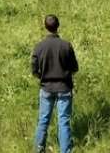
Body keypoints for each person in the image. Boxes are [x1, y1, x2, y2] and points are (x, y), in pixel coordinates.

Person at [31, 15, 78, 153]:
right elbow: (74, 69)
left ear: (45, 27)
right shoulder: (66, 45)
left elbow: (34, 71)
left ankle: (39, 150)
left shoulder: (39, 47)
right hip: (64, 88)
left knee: (43, 121)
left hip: (46, 88)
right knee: (64, 123)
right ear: (58, 26)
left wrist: (43, 77)